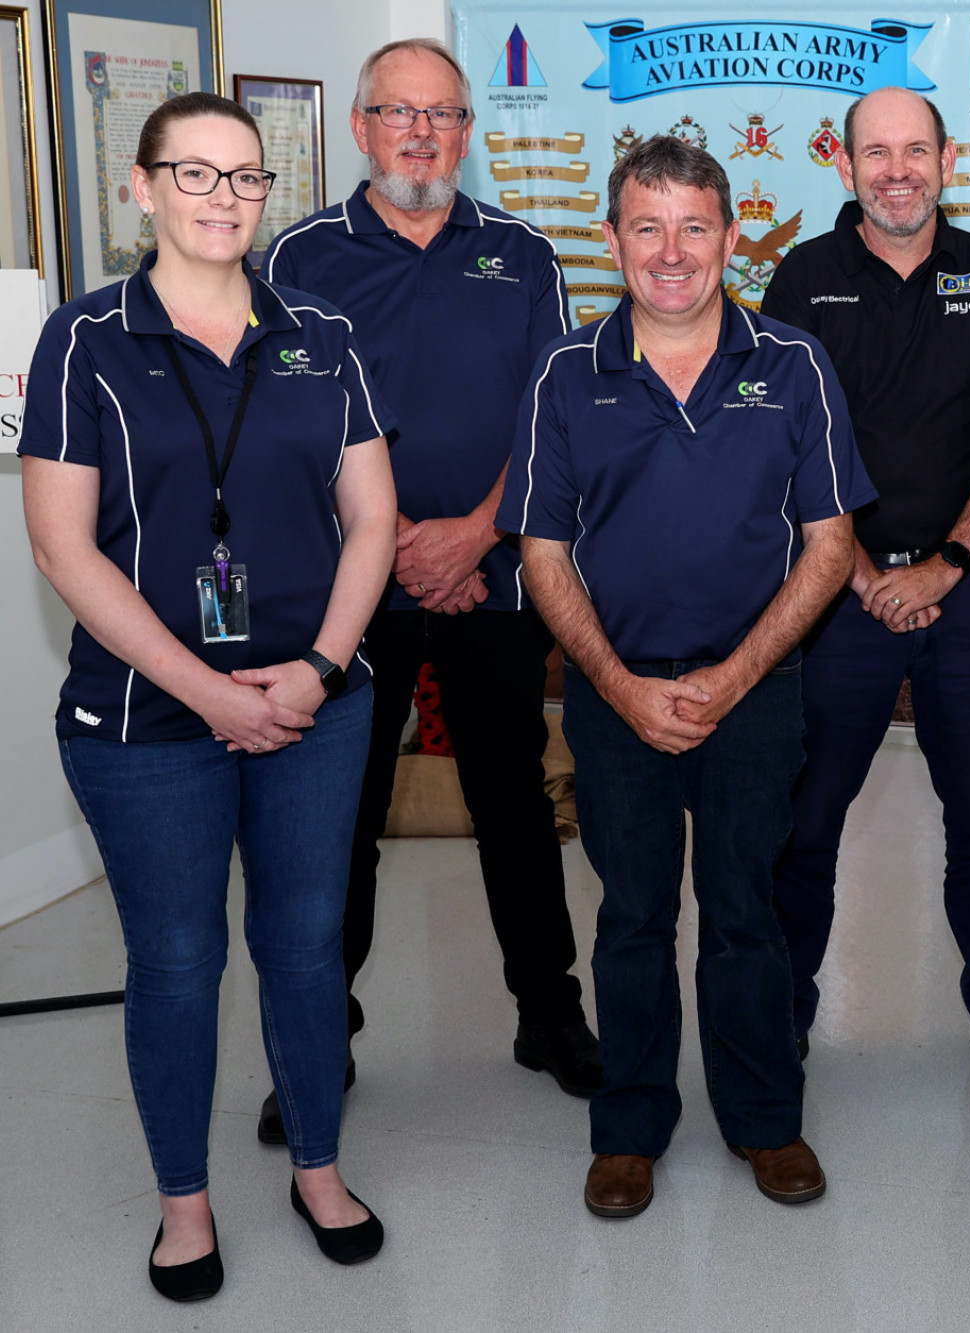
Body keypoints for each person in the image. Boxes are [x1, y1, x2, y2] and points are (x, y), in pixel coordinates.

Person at [20, 93, 398, 1299]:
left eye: (245, 178)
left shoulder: (323, 336)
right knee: (178, 961)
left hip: (312, 704)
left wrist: (322, 670)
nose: (224, 198)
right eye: (195, 174)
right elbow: (62, 549)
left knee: (301, 946)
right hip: (145, 723)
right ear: (141, 188)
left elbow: (374, 518)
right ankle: (183, 1205)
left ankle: (319, 1168)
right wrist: (210, 693)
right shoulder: (84, 343)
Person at [502, 135, 874, 1219]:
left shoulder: (792, 363)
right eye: (647, 227)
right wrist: (619, 688)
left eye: (694, 227)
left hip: (756, 691)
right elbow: (541, 552)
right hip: (615, 696)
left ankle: (764, 1119)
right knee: (630, 914)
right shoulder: (566, 375)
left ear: (729, 239)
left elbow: (830, 541)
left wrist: (735, 675)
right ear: (612, 240)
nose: (671, 252)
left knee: (747, 910)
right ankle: (629, 1126)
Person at [260, 38, 597, 1140]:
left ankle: (547, 1015)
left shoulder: (525, 254)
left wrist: (470, 538)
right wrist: (396, 540)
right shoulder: (298, 257)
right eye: (399, 113)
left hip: (491, 583)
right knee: (336, 821)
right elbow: (279, 422)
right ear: (360, 128)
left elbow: (553, 418)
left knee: (514, 809)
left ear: (468, 131)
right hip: (345, 598)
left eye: (444, 115)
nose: (422, 133)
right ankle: (322, 1035)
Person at [759, 87, 970, 1088]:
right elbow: (784, 444)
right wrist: (864, 573)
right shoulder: (800, 280)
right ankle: (785, 1004)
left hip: (964, 587)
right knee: (808, 814)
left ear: (947, 159)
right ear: (843, 166)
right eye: (875, 154)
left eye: (914, 151)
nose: (896, 171)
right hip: (838, 592)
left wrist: (944, 566)